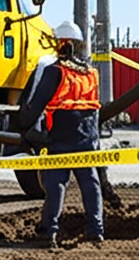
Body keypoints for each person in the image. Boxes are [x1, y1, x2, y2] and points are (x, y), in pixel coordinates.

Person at [18, 21, 104, 248]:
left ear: (62, 45)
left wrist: (24, 129)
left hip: (58, 140)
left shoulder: (55, 71)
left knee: (55, 184)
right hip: (86, 139)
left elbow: (36, 105)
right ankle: (95, 229)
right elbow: (95, 109)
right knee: (90, 183)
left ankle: (48, 232)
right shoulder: (91, 74)